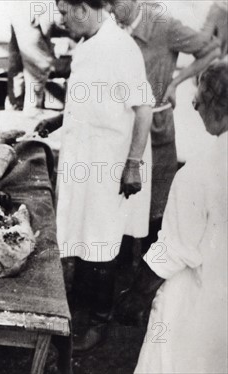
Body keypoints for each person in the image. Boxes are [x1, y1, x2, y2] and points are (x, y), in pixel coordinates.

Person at [35, 0, 154, 352]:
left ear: (84, 7)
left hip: (109, 162)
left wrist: (133, 163)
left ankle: (99, 321)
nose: (60, 19)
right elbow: (89, 99)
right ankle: (80, 305)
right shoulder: (88, 45)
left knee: (101, 238)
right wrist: (57, 120)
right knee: (83, 233)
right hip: (84, 157)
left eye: (64, 10)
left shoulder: (121, 47)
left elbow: (143, 109)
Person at [115, 60, 228, 373]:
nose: (194, 107)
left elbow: (174, 249)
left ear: (218, 108)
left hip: (203, 303)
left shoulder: (201, 171)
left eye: (198, 101)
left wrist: (135, 295)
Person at [111, 0, 221, 259]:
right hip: (122, 128)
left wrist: (175, 83)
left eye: (115, 3)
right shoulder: (112, 27)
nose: (111, 10)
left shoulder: (163, 25)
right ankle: (120, 271)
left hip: (157, 128)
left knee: (156, 209)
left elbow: (212, 49)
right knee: (121, 202)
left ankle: (149, 282)